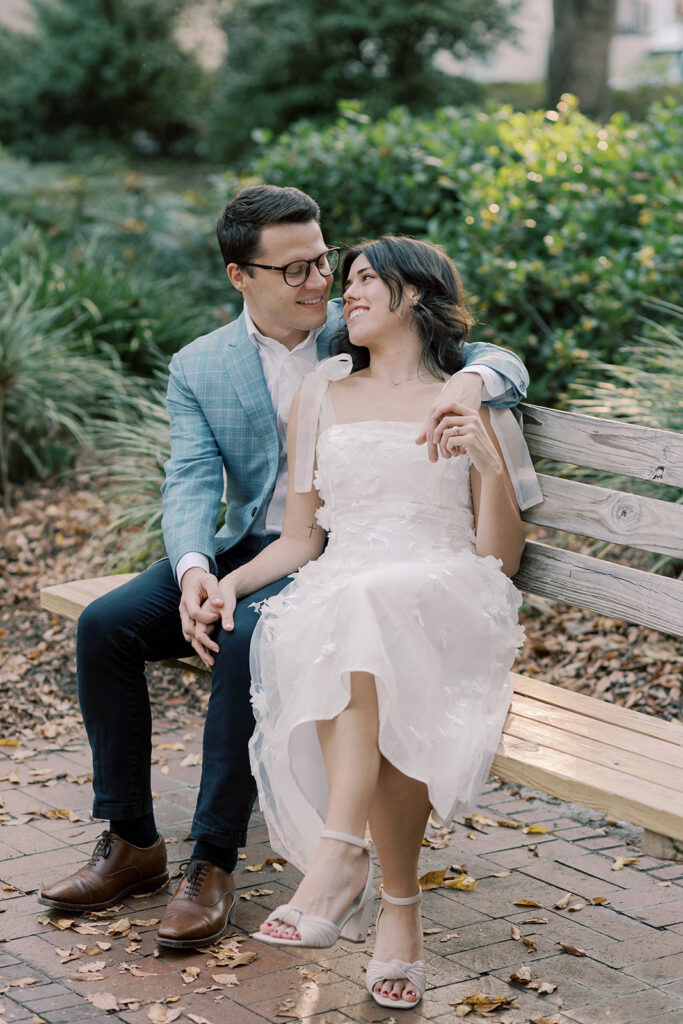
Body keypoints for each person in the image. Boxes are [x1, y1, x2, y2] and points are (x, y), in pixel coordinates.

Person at [38, 187, 530, 951]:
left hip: (346, 556)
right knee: (106, 627)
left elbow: (486, 350)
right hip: (256, 546)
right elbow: (192, 478)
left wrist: (471, 382)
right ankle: (131, 841)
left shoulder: (363, 325)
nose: (320, 283)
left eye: (324, 261)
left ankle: (211, 861)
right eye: (296, 269)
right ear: (243, 276)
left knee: (246, 643)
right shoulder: (200, 365)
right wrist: (200, 568)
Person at [210, 236, 542, 1008]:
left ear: (415, 296)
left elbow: (498, 557)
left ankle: (337, 855)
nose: (345, 294)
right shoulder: (320, 394)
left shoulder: (470, 397)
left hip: (448, 588)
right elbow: (301, 538)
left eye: (364, 281)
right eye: (348, 280)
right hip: (348, 588)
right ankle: (398, 915)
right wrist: (229, 583)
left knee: (361, 612)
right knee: (356, 629)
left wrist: (490, 470)